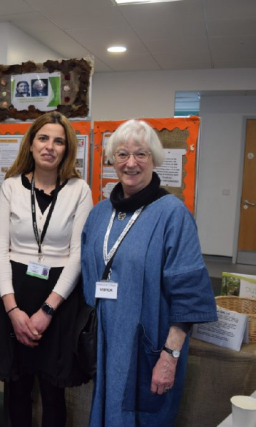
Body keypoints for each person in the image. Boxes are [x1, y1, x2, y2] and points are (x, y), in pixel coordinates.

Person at [81, 119, 217, 426]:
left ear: (154, 159)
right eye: (122, 154)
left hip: (148, 345)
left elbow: (188, 293)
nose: (131, 163)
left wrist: (170, 356)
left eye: (140, 154)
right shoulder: (99, 213)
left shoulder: (173, 215)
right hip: (104, 341)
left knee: (140, 416)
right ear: (112, 160)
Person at [0, 112, 93, 427]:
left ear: (67, 149)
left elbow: (78, 255)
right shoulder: (10, 187)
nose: (50, 146)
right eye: (43, 138)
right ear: (31, 144)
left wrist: (48, 309)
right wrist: (12, 310)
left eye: (58, 141)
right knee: (17, 388)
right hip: (15, 294)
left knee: (53, 392)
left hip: (59, 297)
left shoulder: (79, 189)